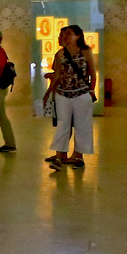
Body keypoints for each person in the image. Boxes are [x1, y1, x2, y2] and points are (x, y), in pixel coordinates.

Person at [45, 24, 96, 168]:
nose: (65, 36)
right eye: (64, 34)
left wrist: (91, 91)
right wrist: (49, 92)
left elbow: (92, 73)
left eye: (69, 34)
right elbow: (58, 75)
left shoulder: (86, 52)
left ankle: (79, 156)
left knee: (82, 125)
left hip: (81, 93)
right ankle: (59, 156)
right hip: (63, 94)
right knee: (63, 124)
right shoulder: (60, 54)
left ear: (78, 36)